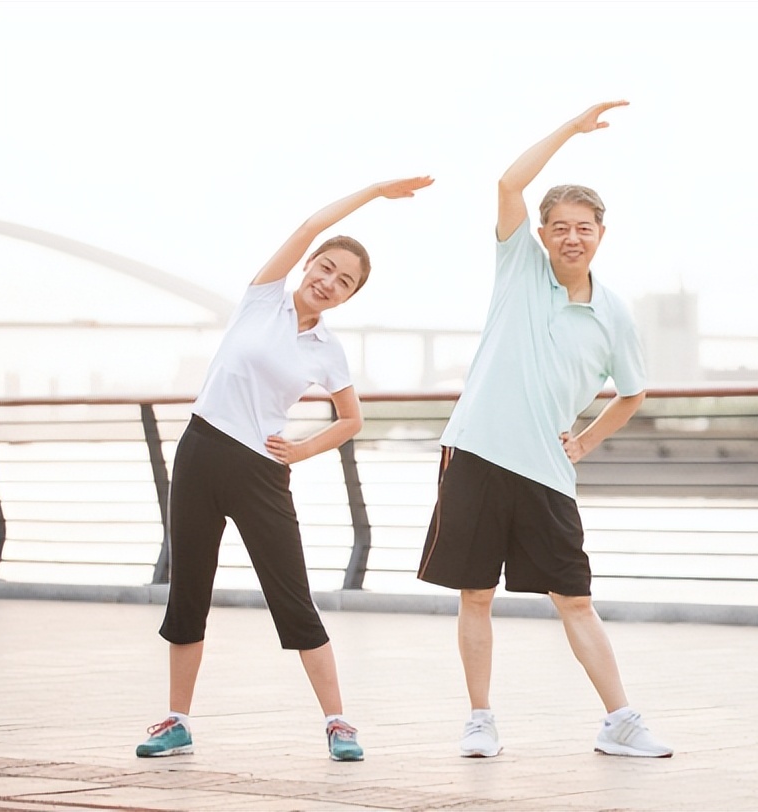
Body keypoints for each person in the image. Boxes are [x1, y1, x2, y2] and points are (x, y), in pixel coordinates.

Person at [136, 175, 434, 762]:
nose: (329, 282)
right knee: (189, 590)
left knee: (292, 596)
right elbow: (310, 225)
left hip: (260, 472)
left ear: (348, 297)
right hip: (200, 452)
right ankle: (177, 722)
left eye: (344, 282)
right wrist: (375, 192)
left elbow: (352, 420)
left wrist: (301, 450)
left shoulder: (328, 349)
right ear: (308, 265)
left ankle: (338, 723)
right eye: (326, 268)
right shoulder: (263, 298)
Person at [417, 101, 672, 759]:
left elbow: (633, 394)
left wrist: (584, 441)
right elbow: (508, 183)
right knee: (476, 594)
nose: (571, 238)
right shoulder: (519, 267)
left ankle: (620, 722)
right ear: (542, 232)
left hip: (547, 471)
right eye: (559, 227)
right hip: (476, 452)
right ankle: (480, 720)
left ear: (601, 234)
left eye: (583, 227)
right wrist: (571, 129)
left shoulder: (615, 314)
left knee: (575, 600)